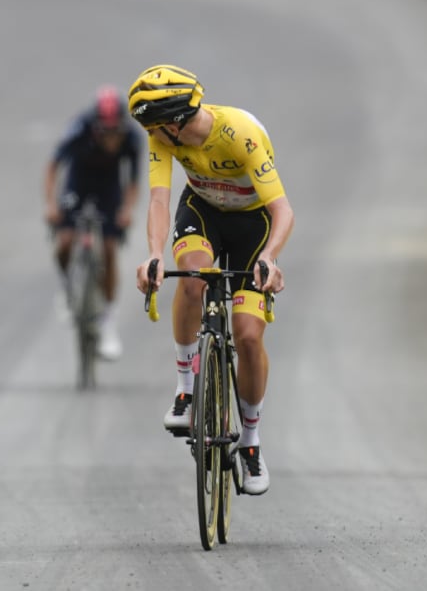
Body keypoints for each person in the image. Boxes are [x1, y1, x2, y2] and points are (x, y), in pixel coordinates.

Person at [129, 65, 295, 496]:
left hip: (251, 224)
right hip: (201, 212)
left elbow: (283, 211)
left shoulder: (240, 133)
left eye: (154, 127)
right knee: (193, 280)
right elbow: (160, 200)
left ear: (175, 122)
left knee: (248, 336)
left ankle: (251, 440)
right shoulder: (162, 136)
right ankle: (186, 388)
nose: (151, 135)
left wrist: (270, 259)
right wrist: (153, 255)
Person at [44, 85, 141, 361]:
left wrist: (127, 210)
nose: (111, 138)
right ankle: (67, 287)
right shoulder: (80, 128)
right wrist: (51, 204)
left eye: (115, 132)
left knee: (109, 248)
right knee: (64, 241)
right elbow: (53, 167)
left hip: (109, 189)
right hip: (79, 184)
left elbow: (133, 182)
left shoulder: (132, 138)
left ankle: (108, 320)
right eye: (105, 132)